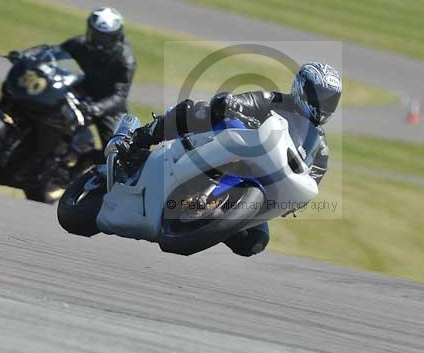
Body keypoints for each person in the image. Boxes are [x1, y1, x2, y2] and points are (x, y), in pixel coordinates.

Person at [114, 62, 342, 257]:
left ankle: (209, 221)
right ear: (303, 89)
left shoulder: (319, 147)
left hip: (265, 184)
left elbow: (312, 180)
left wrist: (296, 200)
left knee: (254, 242)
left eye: (330, 101)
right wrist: (234, 107)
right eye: (320, 97)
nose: (324, 105)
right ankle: (138, 138)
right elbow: (240, 102)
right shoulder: (273, 101)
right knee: (200, 110)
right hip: (234, 148)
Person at [60, 7, 136, 146]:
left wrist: (96, 108)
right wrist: (28, 56)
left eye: (104, 39)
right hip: (77, 94)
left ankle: (89, 163)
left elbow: (119, 96)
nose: (98, 42)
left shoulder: (125, 60)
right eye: (95, 35)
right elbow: (53, 55)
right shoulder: (78, 44)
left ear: (116, 36)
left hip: (106, 106)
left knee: (118, 148)